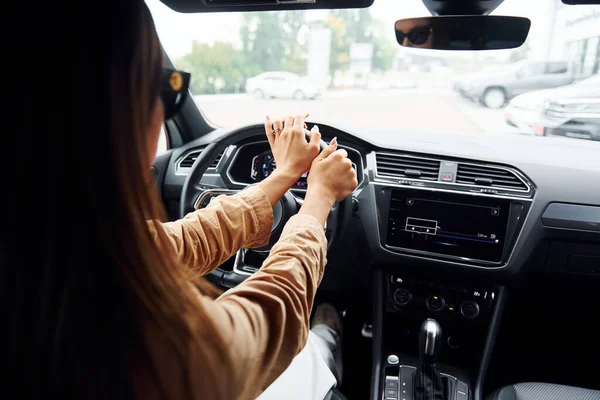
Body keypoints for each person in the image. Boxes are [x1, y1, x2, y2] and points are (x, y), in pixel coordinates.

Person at [4, 1, 357, 399]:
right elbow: (267, 320)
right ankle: (328, 339)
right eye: (164, 87)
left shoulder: (50, 249)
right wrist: (318, 201)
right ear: (107, 110)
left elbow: (178, 242)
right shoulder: (135, 335)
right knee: (308, 357)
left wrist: (283, 176)